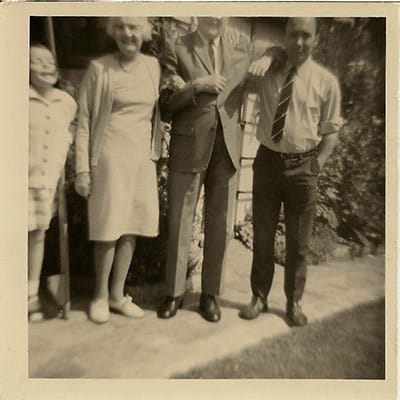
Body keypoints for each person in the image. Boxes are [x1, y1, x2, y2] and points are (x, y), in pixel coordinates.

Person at [157, 17, 274, 322]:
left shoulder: (239, 45)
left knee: (220, 224)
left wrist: (268, 56)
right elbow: (166, 102)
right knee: (181, 221)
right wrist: (197, 85)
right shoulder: (178, 45)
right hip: (189, 144)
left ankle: (210, 295)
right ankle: (174, 293)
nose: (216, 18)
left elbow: (280, 47)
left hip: (228, 146)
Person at [239, 17, 343, 326]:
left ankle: (293, 303)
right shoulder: (270, 68)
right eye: (293, 35)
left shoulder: (326, 82)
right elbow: (243, 72)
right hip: (267, 162)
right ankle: (259, 296)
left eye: (306, 36)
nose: (299, 42)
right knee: (262, 235)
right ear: (285, 36)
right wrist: (268, 53)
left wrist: (317, 164)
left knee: (299, 243)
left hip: (303, 167)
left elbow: (331, 130)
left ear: (316, 39)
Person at [75, 17, 162, 324]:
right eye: (122, 27)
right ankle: (99, 296)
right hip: (109, 157)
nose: (128, 34)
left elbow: (155, 115)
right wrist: (82, 170)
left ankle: (116, 295)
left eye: (134, 27)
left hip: (140, 159)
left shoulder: (153, 67)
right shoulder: (100, 69)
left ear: (145, 33)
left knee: (132, 226)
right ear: (113, 32)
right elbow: (84, 120)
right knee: (108, 227)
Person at [28, 44, 77, 321]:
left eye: (50, 61)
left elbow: (67, 136)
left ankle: (31, 296)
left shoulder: (66, 102)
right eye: (38, 61)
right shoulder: (16, 97)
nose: (47, 66)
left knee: (37, 236)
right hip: (17, 180)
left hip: (47, 182)